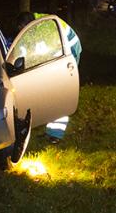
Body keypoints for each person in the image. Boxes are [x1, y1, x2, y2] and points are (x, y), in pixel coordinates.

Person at [14, 11, 81, 143]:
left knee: (59, 93)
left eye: (23, 28)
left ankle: (55, 135)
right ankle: (51, 130)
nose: (22, 30)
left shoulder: (47, 26)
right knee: (50, 93)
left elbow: (52, 50)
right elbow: (25, 50)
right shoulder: (30, 29)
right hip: (56, 53)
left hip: (70, 50)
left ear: (30, 25)